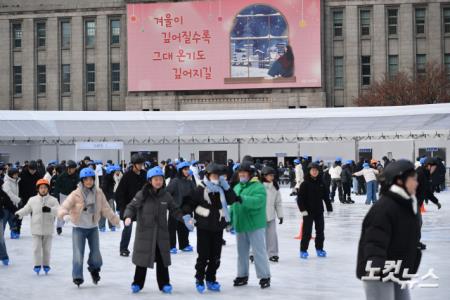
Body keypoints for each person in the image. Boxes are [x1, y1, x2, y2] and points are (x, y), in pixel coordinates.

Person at [356, 160, 421, 300]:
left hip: (395, 269)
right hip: (378, 273)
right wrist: (377, 271)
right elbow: (373, 243)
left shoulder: (405, 205)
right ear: (399, 181)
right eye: (413, 180)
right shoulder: (384, 209)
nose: (416, 183)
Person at [123, 166, 194, 294]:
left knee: (162, 260)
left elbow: (175, 210)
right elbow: (131, 206)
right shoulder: (142, 194)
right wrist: (128, 216)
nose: (158, 182)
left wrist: (185, 218)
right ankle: (137, 283)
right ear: (150, 181)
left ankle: (165, 283)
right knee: (142, 260)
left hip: (161, 233)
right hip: (145, 233)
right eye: (155, 179)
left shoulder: (165, 195)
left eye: (160, 179)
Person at [57, 168, 120, 287]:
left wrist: (114, 219)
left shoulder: (99, 193)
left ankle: (94, 269)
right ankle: (77, 276)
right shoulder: (76, 194)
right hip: (79, 228)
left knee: (96, 254)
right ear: (82, 180)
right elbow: (63, 207)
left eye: (91, 179)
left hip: (92, 228)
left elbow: (106, 208)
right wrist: (64, 215)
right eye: (86, 179)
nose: (89, 181)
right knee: (78, 254)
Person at [185, 163, 237, 293]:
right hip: (204, 227)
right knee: (203, 255)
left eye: (218, 176)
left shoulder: (221, 189)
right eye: (214, 175)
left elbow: (232, 200)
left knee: (215, 256)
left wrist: (227, 187)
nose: (216, 178)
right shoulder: (200, 188)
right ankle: (199, 279)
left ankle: (211, 279)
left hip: (218, 227)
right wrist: (187, 215)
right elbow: (190, 203)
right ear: (208, 175)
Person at [231, 161, 271, 289]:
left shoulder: (258, 186)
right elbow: (233, 207)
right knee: (241, 252)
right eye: (240, 173)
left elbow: (258, 202)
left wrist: (242, 199)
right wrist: (229, 221)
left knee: (258, 252)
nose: (241, 175)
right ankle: (242, 275)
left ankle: (264, 276)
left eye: (244, 173)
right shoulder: (237, 187)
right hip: (241, 225)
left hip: (255, 225)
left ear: (250, 174)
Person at [15, 179, 60, 275]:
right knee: (36, 249)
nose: (43, 190)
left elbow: (59, 211)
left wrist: (50, 210)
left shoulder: (53, 200)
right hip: (36, 229)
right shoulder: (33, 200)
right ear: (38, 189)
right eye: (41, 188)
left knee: (47, 249)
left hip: (48, 229)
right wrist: (18, 214)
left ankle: (46, 264)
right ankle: (37, 265)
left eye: (45, 188)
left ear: (48, 189)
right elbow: (26, 209)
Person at [297, 162, 333, 259]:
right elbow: (300, 199)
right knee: (307, 232)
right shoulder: (305, 184)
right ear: (309, 171)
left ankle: (319, 249)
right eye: (312, 170)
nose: (314, 172)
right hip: (307, 212)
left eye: (316, 170)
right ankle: (303, 250)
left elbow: (326, 196)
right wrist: (303, 210)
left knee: (320, 231)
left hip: (319, 211)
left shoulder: (321, 183)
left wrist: (329, 207)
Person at [115, 153, 146, 257]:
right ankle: (123, 248)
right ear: (134, 164)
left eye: (142, 163)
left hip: (141, 206)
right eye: (139, 164)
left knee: (143, 228)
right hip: (129, 207)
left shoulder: (144, 174)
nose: (141, 166)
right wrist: (121, 208)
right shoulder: (127, 176)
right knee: (128, 228)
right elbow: (119, 193)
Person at [166, 161, 196, 253]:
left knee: (184, 227)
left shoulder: (190, 182)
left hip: (186, 208)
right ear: (180, 170)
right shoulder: (175, 181)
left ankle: (184, 244)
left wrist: (191, 204)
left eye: (188, 169)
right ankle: (171, 246)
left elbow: (194, 193)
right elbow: (167, 192)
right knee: (172, 228)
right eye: (185, 169)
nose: (187, 171)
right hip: (175, 208)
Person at [415, 157, 442, 250]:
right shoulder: (419, 174)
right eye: (434, 168)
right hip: (411, 203)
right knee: (417, 223)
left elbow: (427, 191)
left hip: (416, 203)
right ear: (429, 166)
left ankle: (413, 242)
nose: (435, 170)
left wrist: (436, 202)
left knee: (417, 223)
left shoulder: (425, 175)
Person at [260, 166, 284, 262]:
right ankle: (253, 253)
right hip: (259, 216)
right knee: (257, 236)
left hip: (270, 216)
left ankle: (273, 253)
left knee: (272, 236)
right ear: (264, 176)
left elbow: (278, 203)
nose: (272, 177)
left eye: (273, 175)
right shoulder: (259, 187)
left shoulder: (275, 187)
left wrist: (280, 215)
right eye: (270, 175)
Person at [54, 160, 79, 235]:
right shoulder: (62, 176)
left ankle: (77, 226)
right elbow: (57, 186)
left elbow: (78, 185)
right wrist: (56, 196)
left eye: (75, 168)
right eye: (73, 168)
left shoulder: (76, 176)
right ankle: (59, 226)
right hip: (63, 195)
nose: (74, 170)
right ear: (68, 168)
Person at [17, 160, 40, 238]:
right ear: (28, 168)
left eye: (34, 170)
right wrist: (19, 197)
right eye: (31, 170)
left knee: (35, 216)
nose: (33, 171)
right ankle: (17, 229)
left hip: (34, 198)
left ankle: (36, 231)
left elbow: (41, 186)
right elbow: (18, 186)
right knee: (20, 214)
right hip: (23, 198)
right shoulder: (22, 174)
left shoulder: (38, 175)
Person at [99, 165, 122, 232]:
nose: (114, 172)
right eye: (113, 171)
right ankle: (102, 226)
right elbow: (104, 188)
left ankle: (112, 225)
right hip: (104, 197)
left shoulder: (112, 178)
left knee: (112, 211)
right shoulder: (106, 178)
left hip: (110, 197)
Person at [0, 178, 16, 266]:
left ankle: (4, 256)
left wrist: (17, 211)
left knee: (0, 239)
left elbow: (8, 203)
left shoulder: (2, 193)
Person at [2, 168, 21, 239]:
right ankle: (1, 234)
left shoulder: (15, 181)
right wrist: (18, 200)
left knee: (13, 220)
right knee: (4, 221)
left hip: (13, 205)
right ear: (11, 174)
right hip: (6, 206)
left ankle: (13, 233)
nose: (16, 175)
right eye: (15, 174)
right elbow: (8, 194)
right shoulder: (7, 182)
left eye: (17, 174)